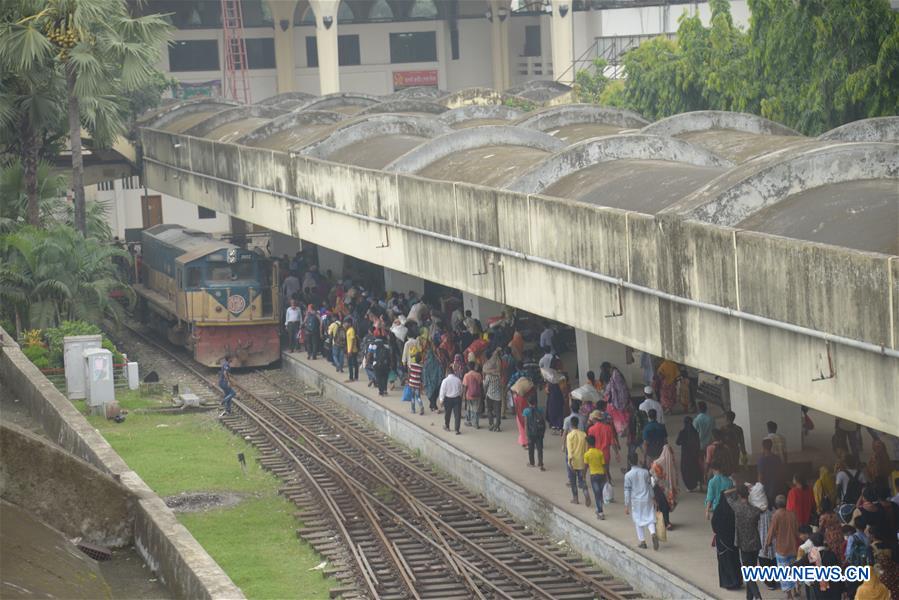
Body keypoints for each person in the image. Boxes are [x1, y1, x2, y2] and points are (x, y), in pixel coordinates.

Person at [725, 485, 762, 599]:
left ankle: (758, 596)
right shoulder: (755, 510)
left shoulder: (737, 507)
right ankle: (749, 598)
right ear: (748, 494)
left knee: (748, 574)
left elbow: (726, 494)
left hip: (744, 544)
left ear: (739, 495)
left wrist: (738, 488)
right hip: (755, 544)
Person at [765, 494, 799, 599]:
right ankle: (795, 590)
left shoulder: (776, 515)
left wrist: (767, 544)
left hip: (782, 549)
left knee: (784, 573)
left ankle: (789, 596)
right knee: (792, 570)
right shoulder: (792, 514)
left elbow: (771, 531)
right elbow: (797, 530)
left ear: (776, 504)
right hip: (793, 547)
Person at [624, 454, 658, 550]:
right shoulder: (645, 472)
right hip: (647, 498)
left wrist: (626, 505)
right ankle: (653, 533)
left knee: (638, 520)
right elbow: (650, 486)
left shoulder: (628, 475)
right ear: (637, 460)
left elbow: (627, 491)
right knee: (650, 518)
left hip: (636, 501)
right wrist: (653, 498)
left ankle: (643, 542)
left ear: (629, 462)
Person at [711, 489, 743, 591]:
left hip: (722, 542)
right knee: (734, 560)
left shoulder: (717, 511)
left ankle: (728, 583)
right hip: (732, 541)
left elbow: (714, 525)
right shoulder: (732, 511)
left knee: (725, 561)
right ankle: (737, 581)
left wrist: (719, 532)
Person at [651, 444, 678, 530]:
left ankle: (662, 522)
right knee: (665, 506)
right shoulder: (672, 463)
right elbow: (675, 477)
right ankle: (666, 522)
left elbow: (652, 473)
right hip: (667, 489)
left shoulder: (657, 463)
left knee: (661, 505)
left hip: (658, 488)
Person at [566, 416, 590, 506]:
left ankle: (575, 498)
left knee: (573, 481)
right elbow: (587, 449)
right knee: (582, 480)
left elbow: (569, 450)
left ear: (571, 424)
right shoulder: (584, 434)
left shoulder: (570, 436)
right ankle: (586, 493)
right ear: (578, 424)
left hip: (573, 462)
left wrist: (570, 462)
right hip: (582, 461)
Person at [677, 416, 703, 492]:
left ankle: (690, 487)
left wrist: (683, 442)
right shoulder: (695, 431)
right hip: (694, 454)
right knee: (696, 468)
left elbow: (677, 442)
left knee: (686, 470)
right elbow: (698, 443)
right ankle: (698, 483)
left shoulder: (682, 432)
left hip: (686, 454)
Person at [757, 438, 786, 506]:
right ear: (771, 446)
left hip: (767, 489)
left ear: (763, 447)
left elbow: (760, 477)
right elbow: (781, 472)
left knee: (769, 507)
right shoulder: (777, 458)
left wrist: (759, 490)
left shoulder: (761, 460)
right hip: (777, 487)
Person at [584, 435, 607, 519]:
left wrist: (583, 476)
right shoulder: (600, 452)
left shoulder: (587, 454)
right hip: (601, 475)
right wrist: (606, 476)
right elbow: (604, 465)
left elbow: (586, 466)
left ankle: (600, 513)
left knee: (597, 494)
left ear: (588, 444)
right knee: (600, 494)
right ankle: (598, 508)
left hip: (594, 476)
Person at [523, 395, 546, 471]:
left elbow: (526, 423)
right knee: (539, 448)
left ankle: (532, 463)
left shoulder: (526, 411)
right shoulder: (540, 410)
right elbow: (543, 421)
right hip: (539, 432)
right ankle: (540, 463)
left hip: (531, 432)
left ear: (528, 402)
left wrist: (526, 434)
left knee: (531, 448)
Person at [483, 348, 503, 432]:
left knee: (489, 411)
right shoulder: (499, 377)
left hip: (490, 395)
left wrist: (484, 392)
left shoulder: (488, 376)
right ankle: (497, 426)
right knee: (498, 412)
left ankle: (491, 424)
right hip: (498, 396)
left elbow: (485, 385)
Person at [438, 367, 463, 435]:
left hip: (448, 399)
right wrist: (460, 396)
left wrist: (441, 400)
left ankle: (447, 426)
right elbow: (461, 389)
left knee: (447, 414)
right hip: (457, 399)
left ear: (447, 372)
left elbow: (442, 391)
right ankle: (457, 429)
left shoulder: (445, 381)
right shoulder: (458, 380)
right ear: (453, 372)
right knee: (457, 414)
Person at [462, 363, 483, 429]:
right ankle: (476, 424)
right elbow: (480, 385)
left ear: (468, 367)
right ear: (474, 367)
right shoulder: (478, 375)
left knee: (469, 408)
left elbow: (465, 386)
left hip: (469, 395)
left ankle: (469, 421)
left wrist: (464, 396)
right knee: (476, 409)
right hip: (477, 395)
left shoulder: (466, 375)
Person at [407, 347, 423, 415]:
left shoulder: (412, 365)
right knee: (418, 397)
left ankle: (413, 410)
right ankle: (421, 406)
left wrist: (408, 380)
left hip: (411, 383)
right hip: (417, 384)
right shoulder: (421, 367)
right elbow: (421, 377)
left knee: (412, 397)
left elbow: (409, 374)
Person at [344, 318, 359, 382]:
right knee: (353, 363)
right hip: (350, 350)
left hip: (352, 350)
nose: (345, 324)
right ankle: (355, 377)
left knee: (351, 364)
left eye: (346, 323)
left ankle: (351, 378)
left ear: (349, 323)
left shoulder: (351, 330)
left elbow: (353, 340)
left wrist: (350, 350)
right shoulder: (348, 330)